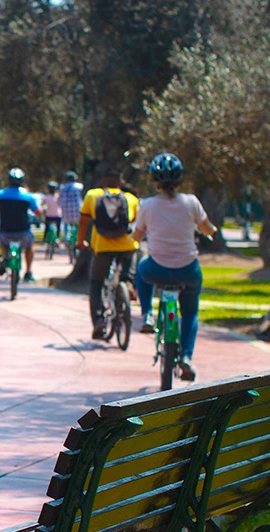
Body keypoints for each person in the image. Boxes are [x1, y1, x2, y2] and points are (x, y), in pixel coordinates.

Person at [132, 153, 217, 381]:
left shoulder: (148, 205)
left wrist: (138, 235)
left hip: (156, 268)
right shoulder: (191, 202)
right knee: (189, 312)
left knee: (141, 268)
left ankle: (147, 314)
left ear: (154, 180)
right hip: (187, 270)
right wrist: (211, 231)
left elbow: (136, 236)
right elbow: (207, 228)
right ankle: (187, 357)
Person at [77, 173, 140, 340]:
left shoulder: (93, 195)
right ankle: (126, 287)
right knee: (127, 274)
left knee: (97, 282)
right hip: (127, 246)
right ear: (120, 183)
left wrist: (80, 241)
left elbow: (83, 221)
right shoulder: (130, 199)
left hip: (102, 247)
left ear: (103, 182)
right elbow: (137, 223)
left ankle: (98, 320)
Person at [0, 168, 42, 282]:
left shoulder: (0, 194)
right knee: (30, 247)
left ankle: (5, 258)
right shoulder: (28, 196)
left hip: (5, 231)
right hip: (23, 232)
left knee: (3, 244)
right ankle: (28, 272)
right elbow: (38, 212)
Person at [41, 181, 63, 249]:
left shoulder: (46, 197)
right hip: (57, 216)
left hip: (49, 216)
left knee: (47, 228)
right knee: (58, 227)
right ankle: (57, 238)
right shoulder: (58, 197)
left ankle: (44, 239)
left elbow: (42, 204)